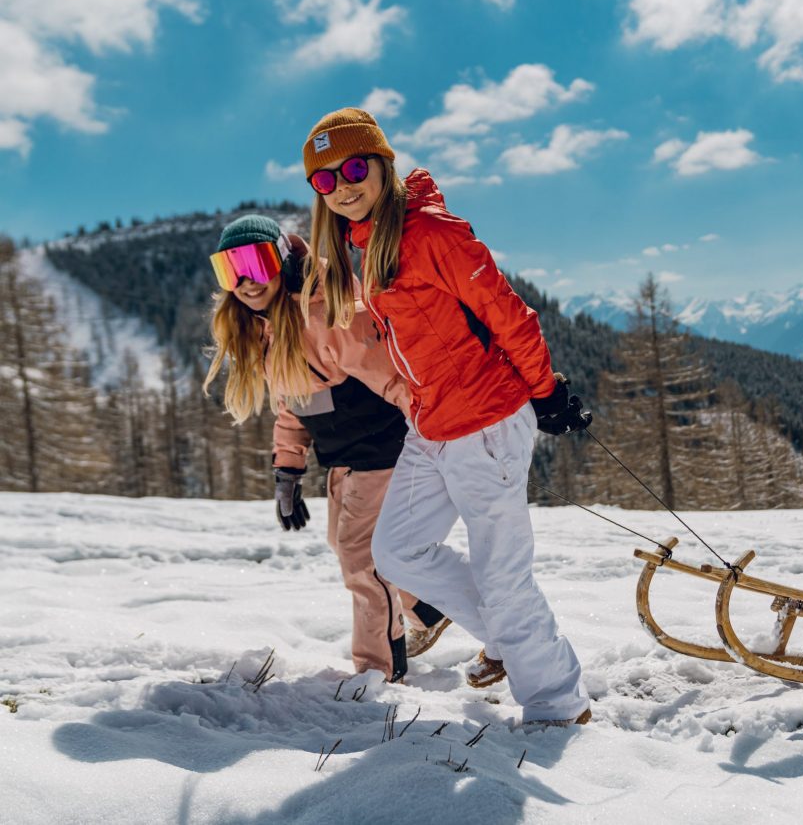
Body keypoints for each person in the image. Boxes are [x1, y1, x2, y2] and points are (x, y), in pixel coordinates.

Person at [299, 108, 593, 726]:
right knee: (399, 551)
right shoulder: (367, 247)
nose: (343, 186)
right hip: (431, 428)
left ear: (381, 165)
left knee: (502, 572)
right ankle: (518, 643)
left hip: (485, 421)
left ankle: (558, 708)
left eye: (353, 168)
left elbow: (510, 314)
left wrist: (545, 391)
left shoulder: (430, 234)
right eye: (325, 180)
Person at [203, 214, 450, 683]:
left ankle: (376, 670)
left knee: (361, 563)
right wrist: (287, 471)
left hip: (383, 450)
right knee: (345, 545)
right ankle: (432, 610)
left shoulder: (328, 313)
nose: (246, 281)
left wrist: (442, 433)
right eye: (230, 269)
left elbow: (396, 379)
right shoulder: (269, 328)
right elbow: (295, 405)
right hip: (344, 460)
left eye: (256, 262)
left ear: (281, 258)